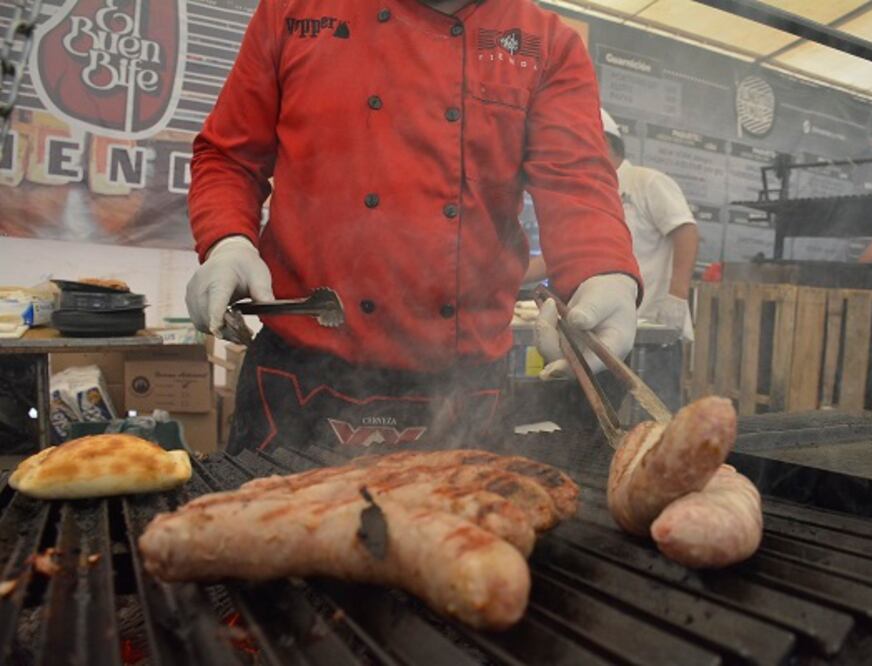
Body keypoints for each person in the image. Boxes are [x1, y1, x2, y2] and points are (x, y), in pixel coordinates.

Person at [184, 1, 641, 453]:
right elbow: (230, 157)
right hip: (299, 375)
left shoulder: (546, 43)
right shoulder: (294, 10)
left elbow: (576, 180)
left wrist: (603, 271)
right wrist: (228, 241)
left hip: (464, 385)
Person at [535, 109, 699, 411]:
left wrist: (677, 295)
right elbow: (560, 258)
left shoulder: (645, 182)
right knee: (610, 416)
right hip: (601, 327)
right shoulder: (585, 197)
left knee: (654, 417)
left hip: (652, 325)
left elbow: (686, 231)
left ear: (602, 145)